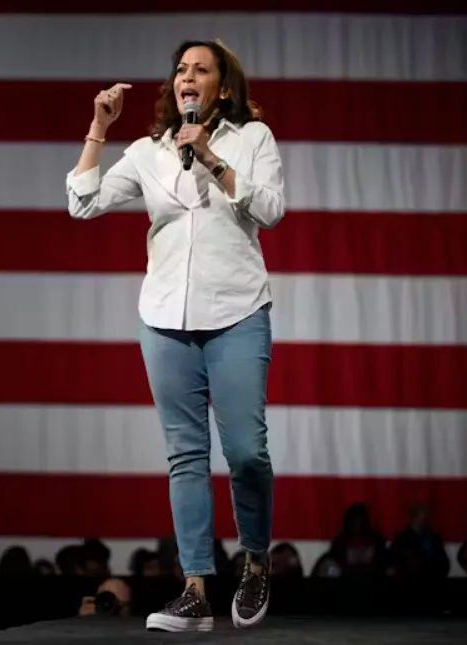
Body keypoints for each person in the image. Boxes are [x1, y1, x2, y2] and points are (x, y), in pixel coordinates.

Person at [65, 39, 285, 632]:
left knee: (244, 451)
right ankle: (194, 589)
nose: (188, 76)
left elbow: (269, 209)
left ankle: (256, 560)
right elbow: (82, 204)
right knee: (186, 456)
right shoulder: (148, 152)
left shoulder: (252, 139)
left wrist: (211, 157)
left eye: (200, 69)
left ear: (222, 85)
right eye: (181, 70)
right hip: (164, 319)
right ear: (175, 86)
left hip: (238, 311)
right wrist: (98, 126)